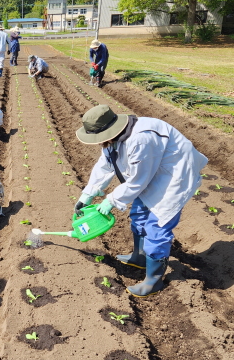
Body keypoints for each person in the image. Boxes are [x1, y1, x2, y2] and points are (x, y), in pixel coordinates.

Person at [74, 105, 207, 298]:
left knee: (157, 226)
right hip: (152, 173)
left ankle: (153, 281)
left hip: (173, 178)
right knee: (139, 213)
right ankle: (140, 257)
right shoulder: (114, 139)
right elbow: (105, 165)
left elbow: (138, 181)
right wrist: (87, 196)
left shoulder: (141, 139)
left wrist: (111, 200)